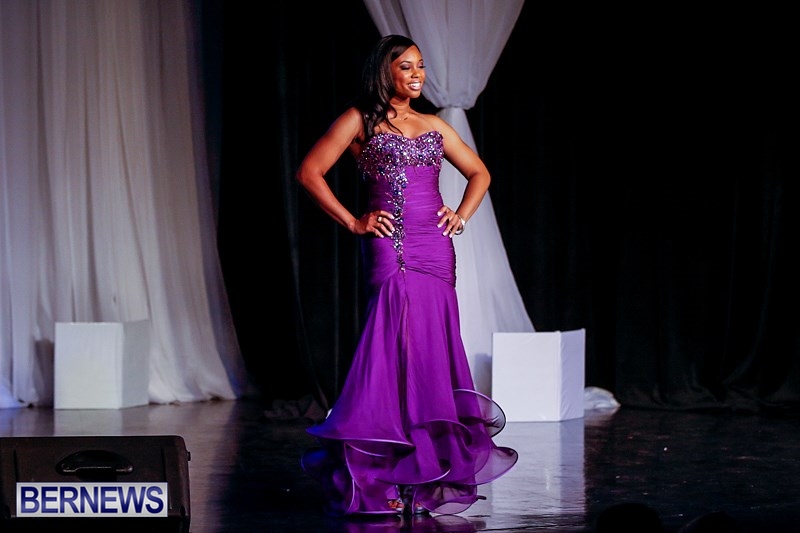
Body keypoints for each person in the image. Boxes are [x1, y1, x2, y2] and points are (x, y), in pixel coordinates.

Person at [296, 34, 518, 517]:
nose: (418, 75)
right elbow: (310, 172)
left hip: (434, 249)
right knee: (394, 350)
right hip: (391, 247)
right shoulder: (360, 120)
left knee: (430, 352)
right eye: (407, 67)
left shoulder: (434, 124)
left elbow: (480, 173)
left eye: (421, 66)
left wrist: (460, 214)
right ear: (386, 71)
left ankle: (424, 472)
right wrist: (353, 221)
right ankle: (381, 474)